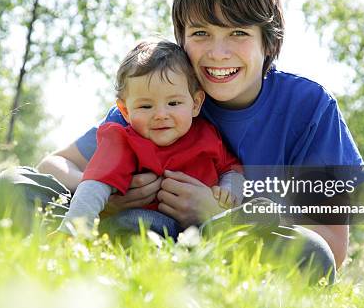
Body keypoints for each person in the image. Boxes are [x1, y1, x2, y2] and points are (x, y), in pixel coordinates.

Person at [0, 0, 364, 282]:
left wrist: (216, 213)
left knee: (310, 254)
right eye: (201, 32)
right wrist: (111, 199)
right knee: (13, 186)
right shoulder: (162, 93)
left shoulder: (309, 108)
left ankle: (173, 275)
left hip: (224, 251)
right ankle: (104, 261)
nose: (218, 53)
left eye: (238, 33)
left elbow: (332, 246)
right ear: (181, 39)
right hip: (129, 222)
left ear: (268, 41)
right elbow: (55, 164)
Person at [56, 39, 242, 238]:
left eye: (173, 103)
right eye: (145, 106)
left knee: (238, 230)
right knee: (136, 222)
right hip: (150, 222)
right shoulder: (122, 141)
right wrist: (72, 230)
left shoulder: (206, 134)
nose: (161, 114)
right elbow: (94, 185)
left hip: (205, 226)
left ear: (195, 104)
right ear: (125, 111)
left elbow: (233, 169)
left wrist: (229, 190)